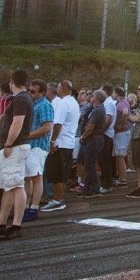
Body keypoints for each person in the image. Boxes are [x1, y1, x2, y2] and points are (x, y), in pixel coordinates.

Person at [0, 69, 33, 241]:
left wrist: (9, 143)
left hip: (15, 146)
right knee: (8, 186)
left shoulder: (20, 99)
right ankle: (1, 222)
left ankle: (16, 224)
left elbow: (17, 122)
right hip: (14, 146)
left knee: (16, 185)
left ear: (12, 82)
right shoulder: (24, 99)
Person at [43, 80, 78, 211]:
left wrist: (53, 141)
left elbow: (58, 124)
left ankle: (57, 199)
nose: (57, 89)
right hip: (69, 142)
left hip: (60, 142)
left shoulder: (63, 103)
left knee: (57, 173)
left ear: (62, 88)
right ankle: (59, 198)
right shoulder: (73, 102)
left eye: (58, 87)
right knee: (63, 173)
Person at [22, 79, 54, 221]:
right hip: (30, 145)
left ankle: (34, 207)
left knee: (36, 176)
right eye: (29, 90)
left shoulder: (45, 105)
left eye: (33, 91)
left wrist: (28, 135)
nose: (30, 93)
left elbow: (47, 127)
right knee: (28, 177)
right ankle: (25, 206)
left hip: (38, 146)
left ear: (42, 92)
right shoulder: (35, 104)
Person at [79, 88, 108, 196]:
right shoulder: (97, 108)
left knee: (90, 165)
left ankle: (95, 189)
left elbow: (90, 127)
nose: (90, 97)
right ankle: (87, 189)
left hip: (93, 139)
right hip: (95, 139)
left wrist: (83, 137)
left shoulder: (97, 110)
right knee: (89, 164)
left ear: (96, 98)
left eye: (92, 96)